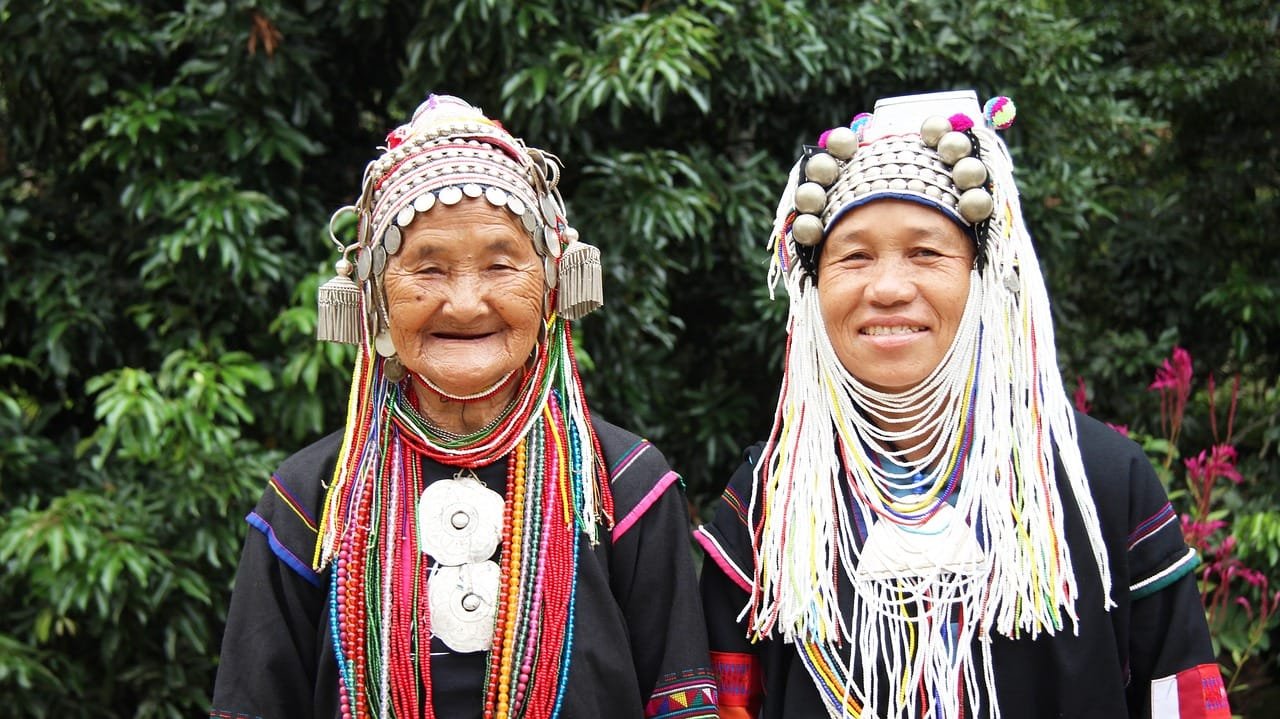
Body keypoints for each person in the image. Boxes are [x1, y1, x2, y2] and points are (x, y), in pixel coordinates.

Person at [694, 90, 1230, 719]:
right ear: (812, 291)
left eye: (926, 253)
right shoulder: (769, 504)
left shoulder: (1100, 483)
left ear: (983, 279)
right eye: (854, 256)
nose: (888, 288)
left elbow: (1181, 700)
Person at [210, 94, 718, 719]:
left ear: (553, 285)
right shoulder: (314, 498)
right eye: (428, 269)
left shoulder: (622, 485)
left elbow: (681, 704)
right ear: (373, 297)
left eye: (502, 265)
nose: (467, 302)